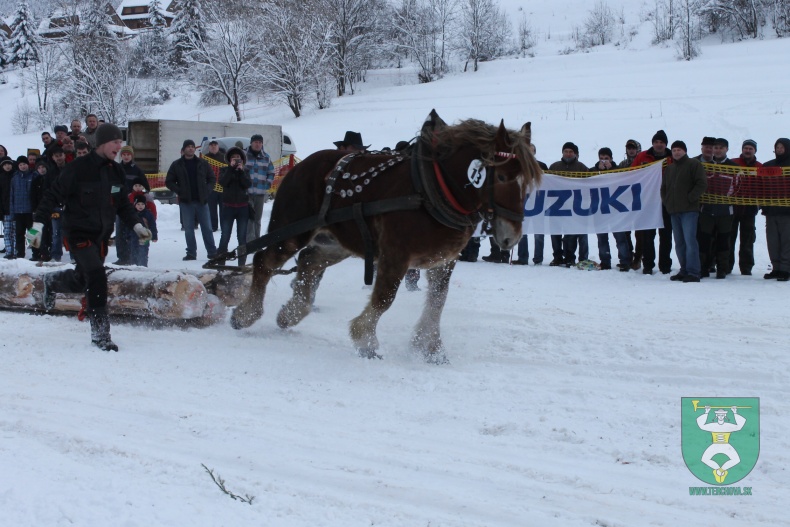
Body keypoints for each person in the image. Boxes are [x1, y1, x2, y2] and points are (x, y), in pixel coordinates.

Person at [27, 123, 152, 351]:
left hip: (101, 238)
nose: (119, 146)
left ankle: (52, 282)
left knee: (84, 278)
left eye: (120, 142)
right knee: (97, 276)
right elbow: (52, 195)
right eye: (115, 142)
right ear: (103, 143)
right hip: (78, 233)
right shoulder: (78, 169)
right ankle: (100, 335)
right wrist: (37, 225)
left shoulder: (116, 171)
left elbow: (123, 204)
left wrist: (136, 225)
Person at [661, 140, 707, 283]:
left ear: (685, 151)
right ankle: (684, 269)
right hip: (674, 211)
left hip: (689, 210)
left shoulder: (694, 164)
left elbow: (701, 183)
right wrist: (667, 202)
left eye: (679, 150)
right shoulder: (670, 168)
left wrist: (690, 198)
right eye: (674, 150)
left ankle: (694, 271)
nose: (676, 152)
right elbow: (664, 188)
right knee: (679, 242)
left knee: (690, 241)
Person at [165, 139, 218, 261]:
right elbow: (169, 181)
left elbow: (212, 178)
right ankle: (191, 253)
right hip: (186, 202)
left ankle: (212, 252)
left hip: (202, 200)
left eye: (192, 146)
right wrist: (180, 191)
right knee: (189, 229)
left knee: (207, 228)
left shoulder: (202, 163)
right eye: (188, 147)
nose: (190, 148)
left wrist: (207, 191)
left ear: (195, 149)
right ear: (183, 150)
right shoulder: (176, 164)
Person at [631, 130, 673, 275]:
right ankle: (648, 264)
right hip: (648, 201)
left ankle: (665, 265)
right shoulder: (643, 156)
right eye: (656, 142)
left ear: (665, 144)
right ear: (652, 143)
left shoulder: (672, 157)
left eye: (661, 142)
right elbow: (632, 174)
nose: (659, 145)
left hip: (667, 202)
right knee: (648, 236)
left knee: (666, 235)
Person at [698, 138, 736, 279]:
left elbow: (739, 187)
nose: (718, 150)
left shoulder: (734, 167)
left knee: (723, 240)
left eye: (721, 148)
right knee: (704, 239)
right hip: (707, 210)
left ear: (726, 149)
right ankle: (703, 267)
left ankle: (722, 268)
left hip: (725, 211)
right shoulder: (705, 166)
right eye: (716, 148)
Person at [549, 142, 588, 267]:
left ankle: (570, 257)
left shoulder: (581, 167)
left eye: (571, 151)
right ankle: (557, 256)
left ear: (575, 153)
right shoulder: (554, 166)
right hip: (556, 206)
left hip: (573, 207)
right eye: (566, 151)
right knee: (555, 233)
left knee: (570, 234)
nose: (568, 153)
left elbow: (589, 183)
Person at [728, 139, 762, 275]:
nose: (747, 150)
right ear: (742, 149)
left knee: (748, 240)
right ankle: (727, 266)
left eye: (750, 148)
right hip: (732, 208)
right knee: (729, 238)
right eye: (746, 148)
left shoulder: (760, 167)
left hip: (750, 209)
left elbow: (764, 186)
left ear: (755, 151)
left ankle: (746, 268)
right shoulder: (733, 163)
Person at [513, 143, 548, 265]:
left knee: (539, 233)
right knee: (522, 231)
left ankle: (538, 258)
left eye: (531, 151)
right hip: (523, 203)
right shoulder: (517, 166)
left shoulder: (542, 166)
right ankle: (523, 257)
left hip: (538, 203)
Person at [761, 138, 790, 281]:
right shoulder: (768, 166)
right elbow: (760, 186)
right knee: (772, 242)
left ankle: (785, 269)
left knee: (786, 242)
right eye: (777, 147)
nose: (779, 149)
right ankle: (776, 268)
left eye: (782, 147)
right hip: (771, 211)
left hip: (787, 213)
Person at [217, 146, 251, 266]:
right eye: (233, 158)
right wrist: (231, 169)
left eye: (238, 158)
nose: (236, 160)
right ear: (229, 160)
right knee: (225, 235)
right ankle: (221, 262)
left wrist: (241, 171)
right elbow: (222, 182)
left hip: (242, 208)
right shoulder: (224, 170)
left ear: (242, 159)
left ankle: (241, 264)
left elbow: (247, 184)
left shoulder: (245, 171)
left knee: (242, 237)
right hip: (228, 207)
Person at [113, 145, 148, 265]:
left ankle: (134, 256)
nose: (126, 156)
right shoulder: (116, 168)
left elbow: (146, 187)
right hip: (120, 204)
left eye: (128, 154)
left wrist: (139, 196)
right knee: (120, 233)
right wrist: (115, 196)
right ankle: (122, 257)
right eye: (124, 154)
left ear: (132, 156)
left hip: (133, 207)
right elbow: (113, 184)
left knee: (133, 231)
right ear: (121, 155)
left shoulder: (137, 170)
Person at [245, 133, 276, 243]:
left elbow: (271, 172)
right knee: (249, 218)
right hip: (247, 192)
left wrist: (268, 183)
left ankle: (257, 241)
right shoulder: (244, 155)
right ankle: (249, 242)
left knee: (257, 219)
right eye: (255, 142)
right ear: (251, 143)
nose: (257, 144)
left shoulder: (266, 157)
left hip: (260, 192)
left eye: (260, 142)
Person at [10, 155, 42, 260]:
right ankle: (20, 254)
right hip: (18, 210)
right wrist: (12, 210)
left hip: (30, 210)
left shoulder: (34, 175)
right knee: (19, 234)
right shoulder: (15, 178)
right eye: (20, 165)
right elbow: (12, 195)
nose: (23, 166)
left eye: (24, 164)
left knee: (33, 233)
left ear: (27, 165)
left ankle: (36, 254)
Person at [202, 139, 226, 232]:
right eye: (211, 145)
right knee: (211, 208)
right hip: (210, 187)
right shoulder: (205, 158)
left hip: (222, 187)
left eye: (215, 145)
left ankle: (224, 226)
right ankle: (213, 226)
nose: (213, 147)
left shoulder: (224, 158)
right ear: (209, 147)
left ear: (218, 147)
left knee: (223, 208)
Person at [128, 195, 157, 267]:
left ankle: (143, 266)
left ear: (145, 205)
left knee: (143, 252)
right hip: (133, 236)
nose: (140, 206)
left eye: (142, 204)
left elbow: (153, 225)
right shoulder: (132, 214)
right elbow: (128, 226)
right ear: (134, 204)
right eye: (138, 204)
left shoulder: (148, 214)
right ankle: (133, 267)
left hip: (145, 236)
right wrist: (127, 236)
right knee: (133, 252)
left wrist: (154, 236)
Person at [0, 156, 16, 258]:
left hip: (16, 208)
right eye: (5, 165)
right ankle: (9, 251)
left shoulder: (16, 176)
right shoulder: (1, 177)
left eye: (9, 164)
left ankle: (15, 251)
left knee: (15, 232)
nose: (7, 166)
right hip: (5, 209)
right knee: (6, 232)